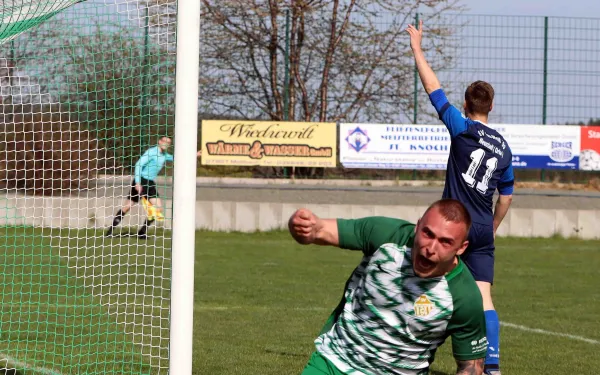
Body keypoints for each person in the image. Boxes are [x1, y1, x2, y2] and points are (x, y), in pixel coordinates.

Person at [407, 20, 515, 375]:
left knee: (426, 283)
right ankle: (493, 366)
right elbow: (508, 195)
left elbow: (432, 88)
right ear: (492, 107)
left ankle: (412, 354)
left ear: (467, 103)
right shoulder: (503, 147)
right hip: (484, 227)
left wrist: (418, 49)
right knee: (484, 297)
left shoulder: (462, 127)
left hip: (457, 227)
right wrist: (494, 226)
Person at [289, 199, 488, 375]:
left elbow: (471, 366)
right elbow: (319, 231)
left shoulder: (464, 296)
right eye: (428, 234)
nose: (431, 248)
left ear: (461, 248)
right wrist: (304, 227)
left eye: (445, 242)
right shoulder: (388, 236)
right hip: (334, 362)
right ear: (417, 227)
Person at [105, 136, 202, 239]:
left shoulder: (164, 155)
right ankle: (110, 232)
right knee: (127, 207)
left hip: (150, 183)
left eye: (168, 142)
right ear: (159, 142)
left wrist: (194, 155)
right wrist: (137, 183)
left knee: (158, 208)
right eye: (164, 141)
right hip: (141, 180)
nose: (166, 143)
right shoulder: (151, 152)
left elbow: (177, 157)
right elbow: (138, 165)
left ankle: (142, 232)